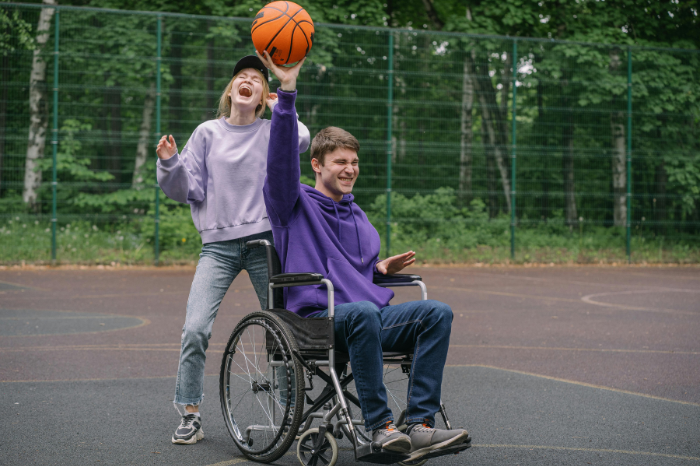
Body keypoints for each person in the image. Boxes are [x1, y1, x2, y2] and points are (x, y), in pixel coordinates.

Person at [258, 51, 470, 462]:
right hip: (317, 321)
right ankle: (379, 428)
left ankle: (421, 425)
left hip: (361, 318)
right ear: (316, 164)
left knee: (436, 312)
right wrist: (286, 92)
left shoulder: (358, 216)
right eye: (340, 161)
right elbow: (280, 161)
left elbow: (348, 269)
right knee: (361, 312)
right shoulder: (291, 202)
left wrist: (375, 269)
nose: (349, 168)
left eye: (354, 162)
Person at [155, 55, 310, 445]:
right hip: (218, 248)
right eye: (240, 77)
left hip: (264, 244)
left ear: (262, 97)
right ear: (230, 91)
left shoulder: (272, 130)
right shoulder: (207, 133)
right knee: (194, 329)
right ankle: (190, 414)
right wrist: (170, 163)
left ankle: (290, 411)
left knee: (283, 332)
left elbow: (303, 139)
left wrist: (282, 108)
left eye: (256, 80)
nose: (247, 81)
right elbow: (186, 189)